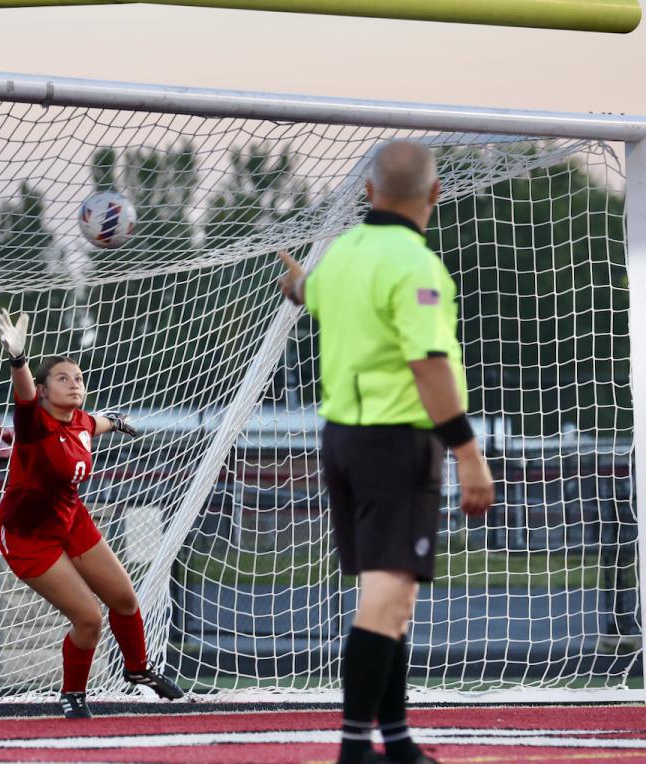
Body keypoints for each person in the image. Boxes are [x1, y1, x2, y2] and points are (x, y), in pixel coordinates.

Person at [277, 140, 495, 764]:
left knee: (392, 593)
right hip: (396, 442)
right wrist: (467, 452)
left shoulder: (343, 253)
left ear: (368, 194)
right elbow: (427, 363)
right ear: (435, 194)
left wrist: (296, 285)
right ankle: (353, 750)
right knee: (388, 596)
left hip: (342, 441)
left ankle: (395, 742)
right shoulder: (416, 264)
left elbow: (309, 292)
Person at [0, 309, 184, 718]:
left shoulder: (79, 420)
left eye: (78, 378)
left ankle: (138, 670)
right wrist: (18, 360)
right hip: (27, 535)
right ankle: (73, 696)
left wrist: (115, 422)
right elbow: (23, 397)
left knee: (125, 599)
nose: (74, 383)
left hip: (70, 517)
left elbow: (93, 422)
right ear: (43, 390)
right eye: (63, 378)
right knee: (89, 620)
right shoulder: (35, 423)